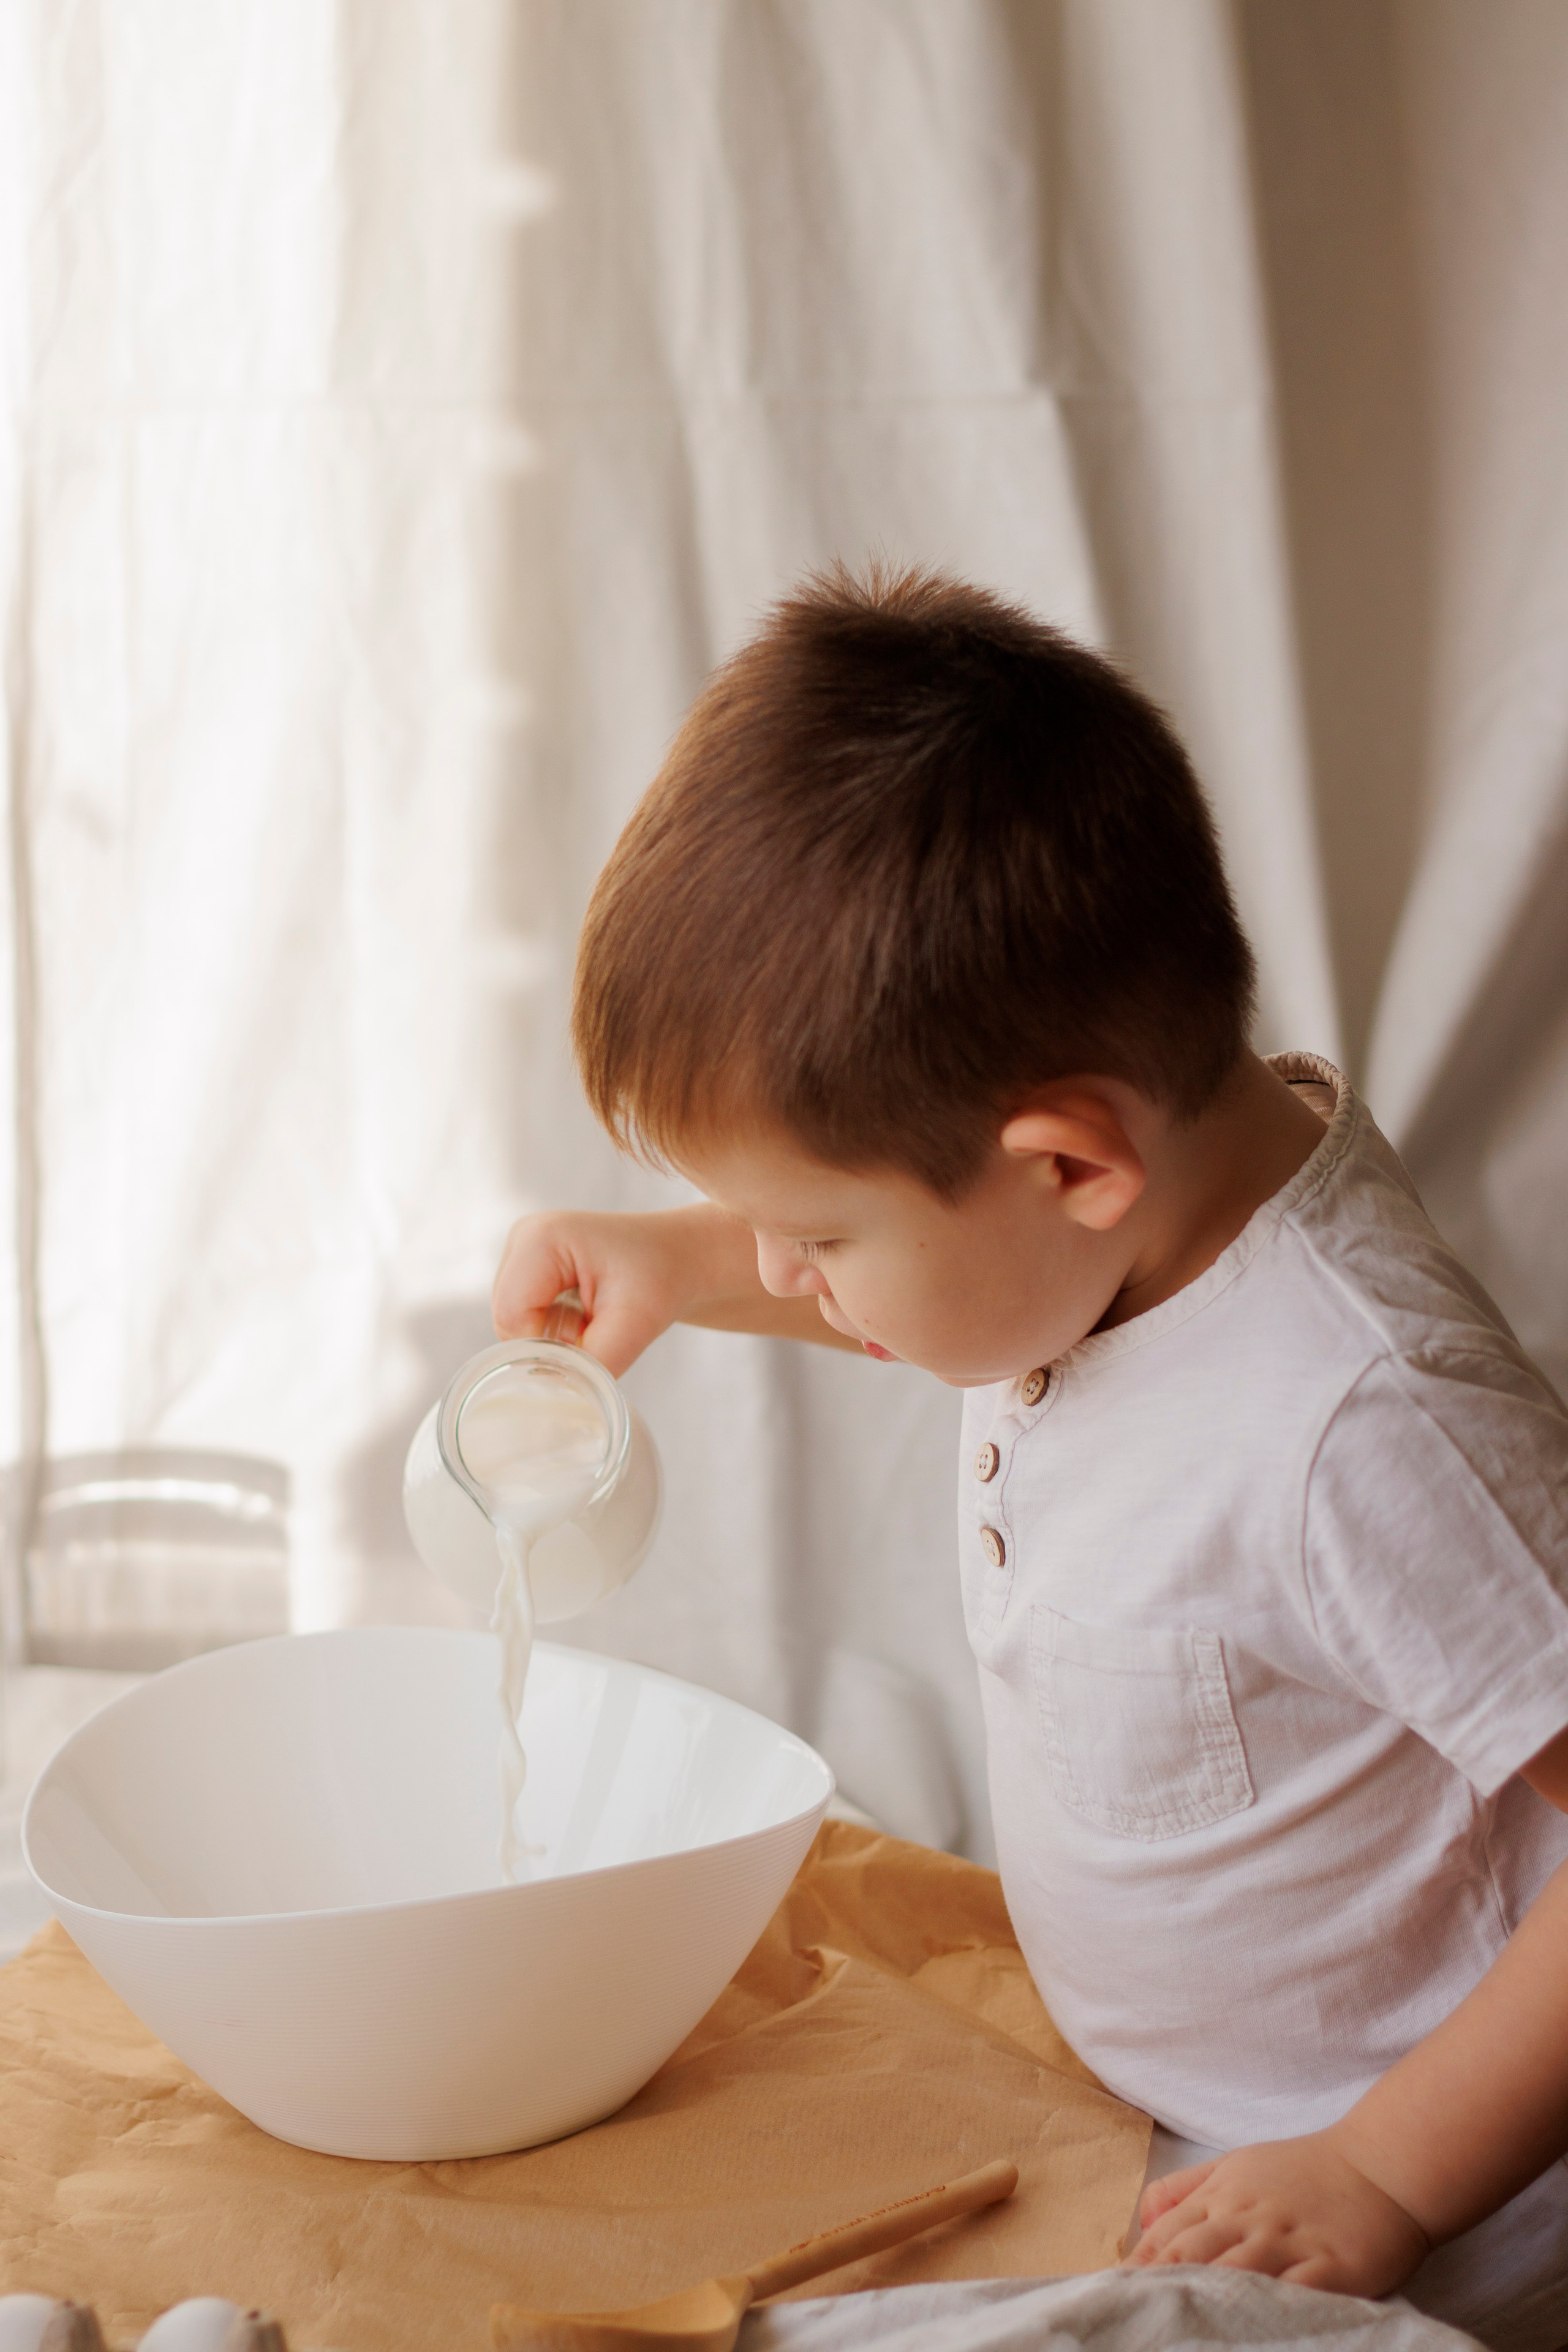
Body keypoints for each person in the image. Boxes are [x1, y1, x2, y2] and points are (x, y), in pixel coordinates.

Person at [492, 564, 1568, 2351]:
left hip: (1374, 2215)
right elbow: (960, 1289)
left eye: (810, 1235)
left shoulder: (1360, 1425)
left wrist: (1385, 2166)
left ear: (1070, 1166)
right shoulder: (1110, 1238)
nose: (790, 1271)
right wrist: (680, 1265)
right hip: (1134, 2107)